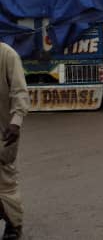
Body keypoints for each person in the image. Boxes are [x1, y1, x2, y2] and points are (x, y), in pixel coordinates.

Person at [0, 43, 28, 240]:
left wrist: (16, 122)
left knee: (5, 182)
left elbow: (20, 92)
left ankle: (13, 225)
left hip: (4, 131)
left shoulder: (8, 56)